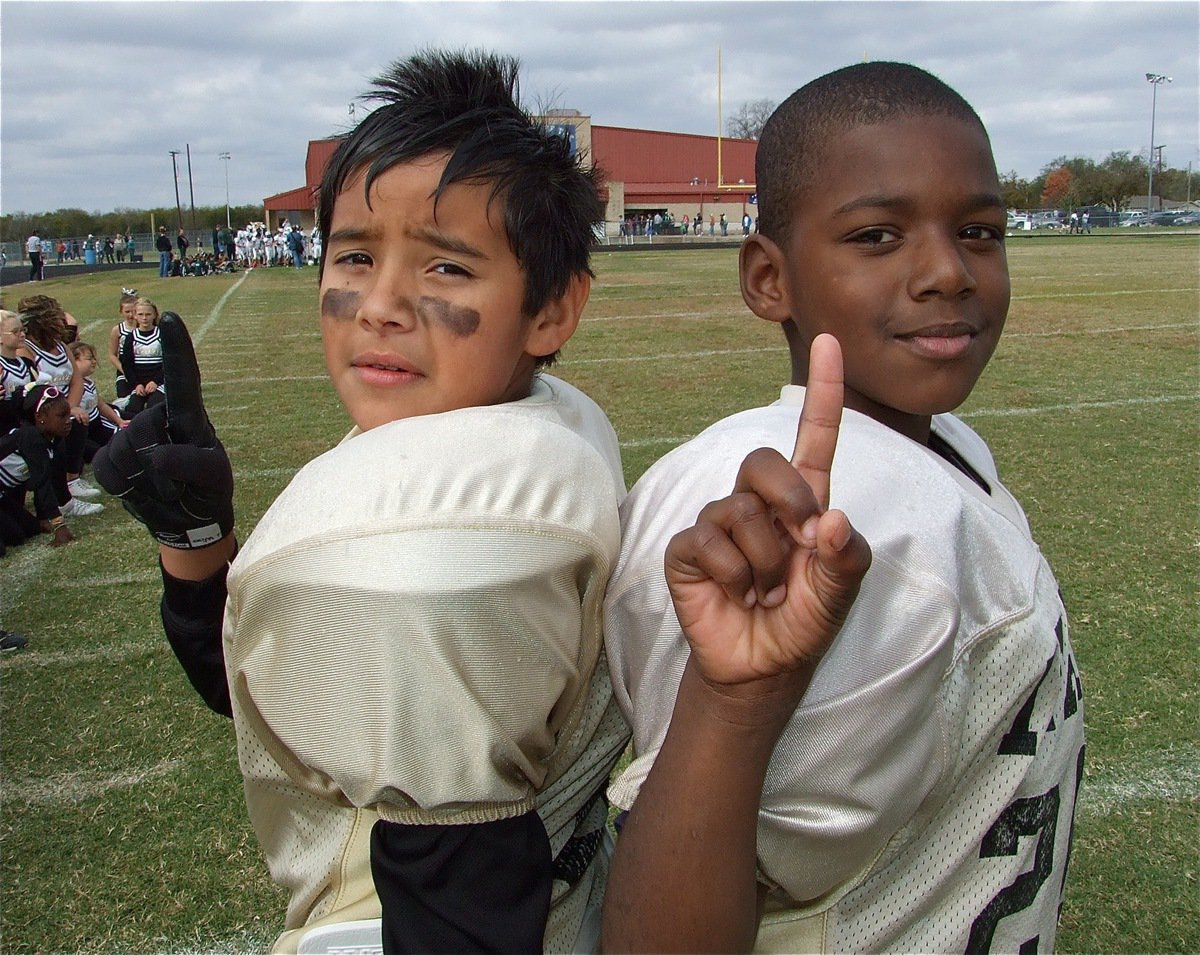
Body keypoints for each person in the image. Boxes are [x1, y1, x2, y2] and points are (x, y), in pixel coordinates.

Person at [95, 49, 628, 954]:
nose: (379, 304)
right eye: (354, 254)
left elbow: (458, 906)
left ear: (552, 309)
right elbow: (314, 686)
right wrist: (197, 543)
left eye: (446, 267)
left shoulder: (423, 536)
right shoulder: (539, 418)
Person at [601, 61, 1085, 954]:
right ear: (768, 278)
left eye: (978, 231)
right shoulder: (822, 524)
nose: (947, 271)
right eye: (877, 236)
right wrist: (735, 703)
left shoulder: (939, 449)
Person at [15, 294, 103, 510]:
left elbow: (76, 380)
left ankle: (71, 480)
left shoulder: (62, 346)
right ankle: (61, 498)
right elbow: (32, 392)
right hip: (41, 413)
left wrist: (69, 408)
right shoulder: (26, 349)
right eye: (56, 316)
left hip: (63, 408)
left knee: (77, 419)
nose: (62, 321)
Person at [0, 384, 80, 550]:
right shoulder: (31, 436)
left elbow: (50, 478)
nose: (68, 421)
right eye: (61, 416)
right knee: (8, 541)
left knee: (28, 530)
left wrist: (44, 516)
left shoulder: (54, 437)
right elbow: (41, 482)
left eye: (68, 415)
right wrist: (59, 525)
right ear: (40, 417)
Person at [68, 340, 126, 460]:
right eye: (89, 358)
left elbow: (101, 405)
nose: (94, 361)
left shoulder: (89, 381)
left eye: (94, 358)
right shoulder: (70, 387)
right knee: (101, 454)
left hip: (98, 425)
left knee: (122, 440)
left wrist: (119, 421)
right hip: (83, 432)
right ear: (74, 361)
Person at [119, 297, 165, 418]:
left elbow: (168, 362)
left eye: (148, 314)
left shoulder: (161, 335)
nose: (144, 318)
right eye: (140, 314)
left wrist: (156, 382)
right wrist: (136, 384)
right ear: (135, 316)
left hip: (159, 383)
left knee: (154, 407)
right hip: (139, 384)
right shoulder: (131, 337)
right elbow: (127, 365)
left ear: (154, 315)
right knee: (133, 409)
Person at [107, 288, 140, 399]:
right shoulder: (117, 330)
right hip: (125, 368)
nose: (131, 315)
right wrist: (124, 370)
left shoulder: (145, 327)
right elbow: (112, 354)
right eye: (127, 312)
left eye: (134, 311)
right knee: (124, 396)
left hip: (142, 366)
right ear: (121, 312)